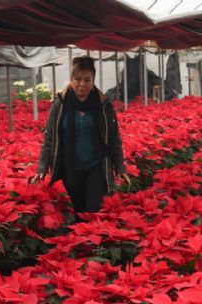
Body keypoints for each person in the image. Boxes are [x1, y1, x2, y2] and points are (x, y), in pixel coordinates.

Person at [29, 56, 131, 213]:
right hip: (69, 167)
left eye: (87, 80)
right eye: (77, 79)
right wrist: (42, 167)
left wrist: (120, 167)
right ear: (71, 80)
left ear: (93, 81)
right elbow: (49, 137)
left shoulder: (103, 105)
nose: (82, 85)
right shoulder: (60, 104)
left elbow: (113, 139)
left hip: (96, 165)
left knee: (93, 210)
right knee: (78, 211)